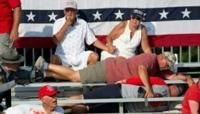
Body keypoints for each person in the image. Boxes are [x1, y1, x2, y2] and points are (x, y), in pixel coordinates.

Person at [35, 52, 178, 97]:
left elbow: (170, 76)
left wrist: (188, 79)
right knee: (75, 76)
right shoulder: (151, 58)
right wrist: (149, 89)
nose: (167, 67)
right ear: (162, 57)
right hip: (109, 69)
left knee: (73, 78)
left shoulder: (156, 68)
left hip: (111, 73)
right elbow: (141, 69)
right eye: (168, 63)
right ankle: (46, 65)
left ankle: (45, 73)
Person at [51, 0, 115, 70]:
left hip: (79, 56)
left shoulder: (83, 23)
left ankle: (85, 75)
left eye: (72, 10)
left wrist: (107, 48)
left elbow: (92, 40)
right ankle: (66, 76)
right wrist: (66, 25)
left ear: (76, 11)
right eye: (67, 10)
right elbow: (55, 41)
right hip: (63, 56)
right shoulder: (58, 22)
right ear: (64, 12)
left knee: (94, 56)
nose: (69, 12)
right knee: (53, 59)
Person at [68, 76, 188, 113]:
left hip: (124, 108)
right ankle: (58, 106)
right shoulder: (161, 83)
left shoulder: (168, 106)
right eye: (176, 87)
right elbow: (140, 73)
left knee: (87, 108)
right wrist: (126, 81)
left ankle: (61, 111)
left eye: (179, 90)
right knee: (85, 99)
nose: (175, 90)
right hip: (120, 91)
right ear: (172, 85)